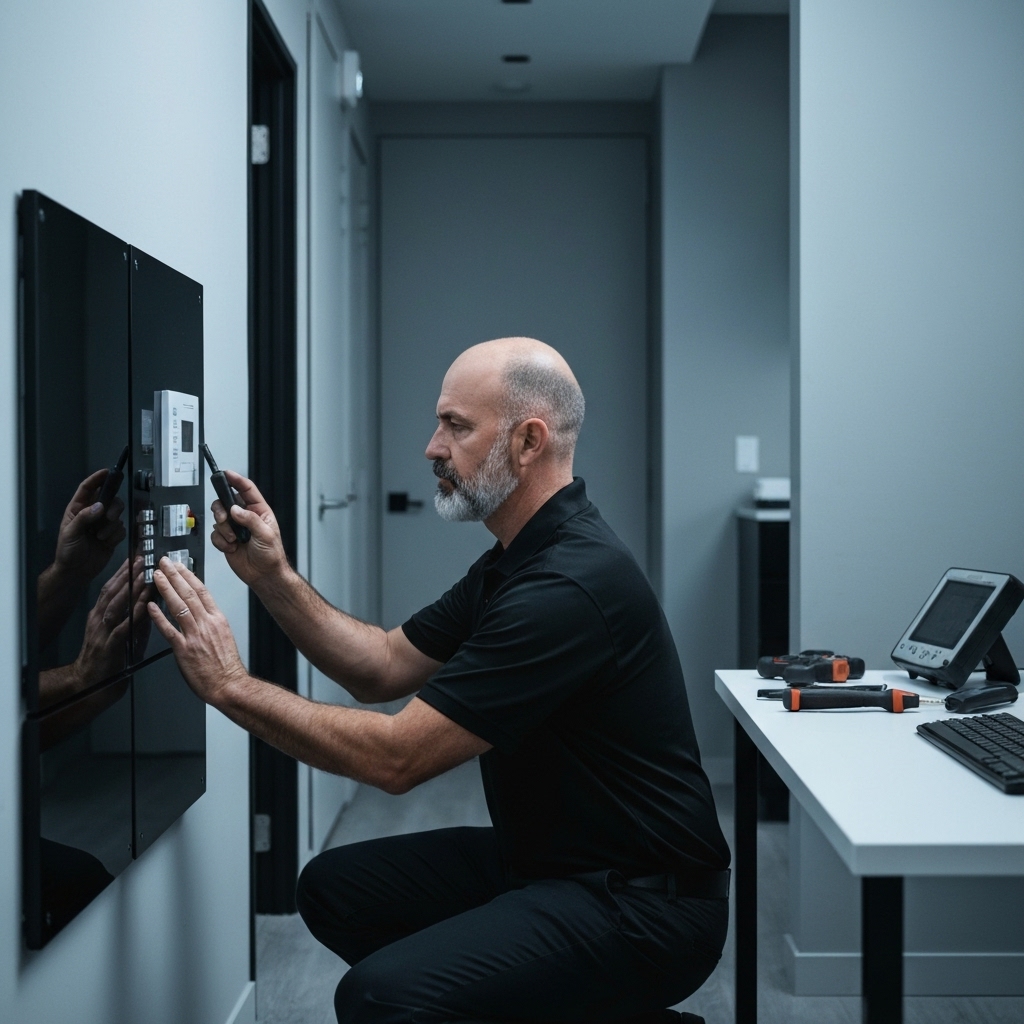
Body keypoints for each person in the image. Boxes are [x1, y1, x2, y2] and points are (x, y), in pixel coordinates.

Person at [147, 337, 729, 1024]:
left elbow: (398, 758)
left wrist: (230, 688)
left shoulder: (567, 585)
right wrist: (273, 576)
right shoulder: (515, 559)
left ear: (527, 441)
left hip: (646, 905)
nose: (431, 446)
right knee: (336, 890)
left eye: (455, 425)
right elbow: (382, 666)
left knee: (380, 996)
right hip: (550, 860)